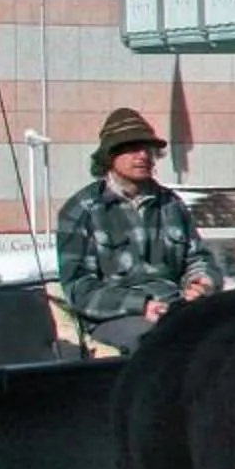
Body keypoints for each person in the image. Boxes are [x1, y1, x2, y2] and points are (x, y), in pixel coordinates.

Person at [55, 107, 219, 353]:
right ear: (109, 156)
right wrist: (141, 305)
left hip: (176, 308)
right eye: (132, 148)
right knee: (160, 343)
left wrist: (201, 283)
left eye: (148, 149)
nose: (143, 155)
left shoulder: (171, 204)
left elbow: (199, 259)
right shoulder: (81, 210)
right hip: (115, 317)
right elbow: (80, 289)